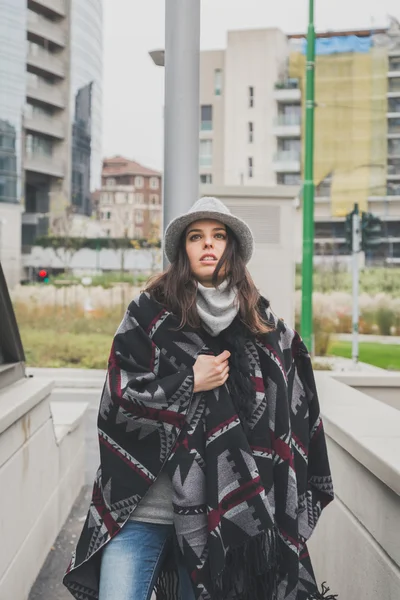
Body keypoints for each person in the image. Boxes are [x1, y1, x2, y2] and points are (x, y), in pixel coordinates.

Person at [63, 197, 335, 600]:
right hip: (144, 510)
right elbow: (118, 400)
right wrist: (190, 380)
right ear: (182, 251)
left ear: (232, 248)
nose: (208, 244)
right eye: (196, 236)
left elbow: (291, 414)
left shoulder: (264, 329)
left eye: (218, 235)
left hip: (223, 523)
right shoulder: (146, 316)